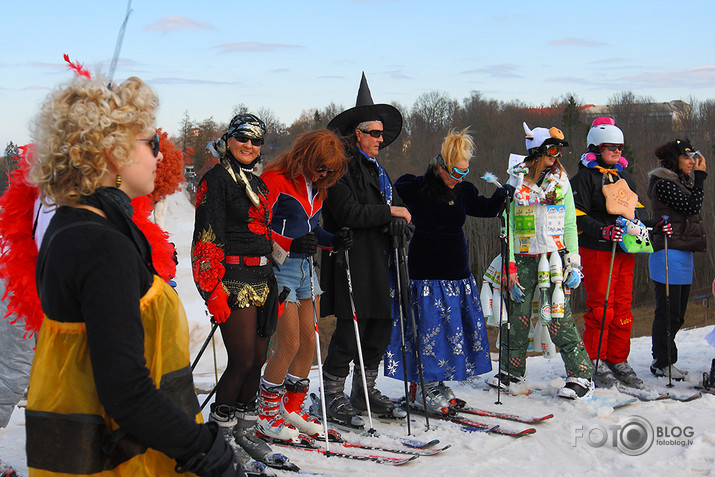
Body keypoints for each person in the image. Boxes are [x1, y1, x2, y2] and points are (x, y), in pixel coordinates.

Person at [26, 75, 241, 476]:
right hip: (117, 462)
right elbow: (126, 390)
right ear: (112, 151)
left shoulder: (82, 226)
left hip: (121, 451)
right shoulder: (98, 243)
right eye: (152, 143)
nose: (161, 156)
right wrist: (207, 450)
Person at [384, 128, 509, 414]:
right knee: (428, 330)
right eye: (455, 172)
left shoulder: (465, 190)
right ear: (441, 165)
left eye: (465, 172)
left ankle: (438, 381)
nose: (460, 178)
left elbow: (487, 209)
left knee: (450, 330)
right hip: (426, 271)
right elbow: (389, 197)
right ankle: (422, 386)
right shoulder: (417, 187)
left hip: (456, 270)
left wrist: (503, 194)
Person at [191, 114, 287, 462]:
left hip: (263, 280)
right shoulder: (216, 180)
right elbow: (206, 235)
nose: (249, 145)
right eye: (243, 138)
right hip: (232, 281)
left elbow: (261, 236)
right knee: (242, 358)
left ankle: (245, 430)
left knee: (259, 359)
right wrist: (210, 288)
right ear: (229, 140)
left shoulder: (258, 185)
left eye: (256, 140)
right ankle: (221, 435)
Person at [320, 73, 411, 425]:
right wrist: (389, 213)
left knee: (379, 329)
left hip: (381, 260)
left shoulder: (379, 170)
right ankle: (331, 394)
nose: (380, 138)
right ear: (356, 134)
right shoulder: (341, 168)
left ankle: (363, 389)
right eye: (374, 133)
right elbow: (347, 213)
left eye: (382, 133)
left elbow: (400, 208)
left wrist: (401, 222)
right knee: (350, 330)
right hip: (352, 260)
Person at [488, 122, 594, 399]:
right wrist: (509, 263)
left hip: (553, 257)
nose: (555, 154)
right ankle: (513, 372)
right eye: (551, 149)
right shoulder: (516, 181)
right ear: (535, 151)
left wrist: (574, 261)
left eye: (558, 150)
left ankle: (580, 375)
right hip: (522, 257)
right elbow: (507, 225)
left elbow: (570, 224)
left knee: (557, 316)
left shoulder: (562, 182)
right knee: (517, 317)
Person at [259, 129, 352, 436]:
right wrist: (290, 243)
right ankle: (266, 410)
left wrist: (334, 240)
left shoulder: (316, 187)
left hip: (305, 271)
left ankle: (291, 408)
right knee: (288, 344)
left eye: (330, 170)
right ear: (306, 157)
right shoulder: (275, 180)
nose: (324, 174)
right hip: (280, 268)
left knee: (309, 345)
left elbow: (312, 232)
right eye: (320, 167)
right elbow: (258, 229)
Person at [569, 117, 667, 389]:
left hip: (624, 249)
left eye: (620, 148)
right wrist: (601, 231)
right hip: (598, 250)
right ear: (596, 147)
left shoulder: (624, 177)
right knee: (602, 308)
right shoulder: (584, 178)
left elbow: (634, 211)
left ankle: (617, 358)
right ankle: (595, 359)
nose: (617, 152)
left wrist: (654, 225)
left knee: (623, 307)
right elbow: (576, 215)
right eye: (610, 147)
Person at [647, 139, 707, 379]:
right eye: (687, 157)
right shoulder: (663, 183)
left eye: (693, 157)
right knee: (668, 311)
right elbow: (692, 206)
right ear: (674, 159)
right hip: (667, 252)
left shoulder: (680, 182)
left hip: (682, 251)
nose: (692, 162)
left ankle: (666, 357)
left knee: (679, 312)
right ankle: (662, 360)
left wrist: (696, 179)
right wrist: (701, 179)